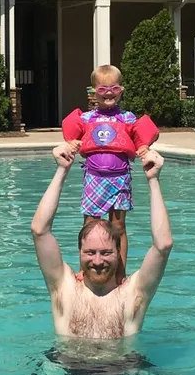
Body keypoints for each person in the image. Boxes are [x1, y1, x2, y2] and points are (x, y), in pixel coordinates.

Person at [31, 142, 173, 342]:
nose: (97, 261)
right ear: (79, 252)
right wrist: (62, 170)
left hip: (123, 371)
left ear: (119, 252)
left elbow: (163, 245)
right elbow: (39, 231)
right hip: (68, 370)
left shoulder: (133, 294)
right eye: (90, 252)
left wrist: (153, 180)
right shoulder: (64, 288)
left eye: (106, 253)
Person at [57, 65, 160, 273]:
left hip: (120, 178)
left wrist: (143, 147)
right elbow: (73, 140)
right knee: (90, 227)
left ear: (120, 90)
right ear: (93, 92)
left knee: (119, 227)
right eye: (103, 89)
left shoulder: (128, 118)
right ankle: (85, 272)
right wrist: (73, 144)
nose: (109, 93)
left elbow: (140, 141)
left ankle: (120, 272)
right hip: (94, 178)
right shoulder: (86, 119)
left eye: (114, 88)